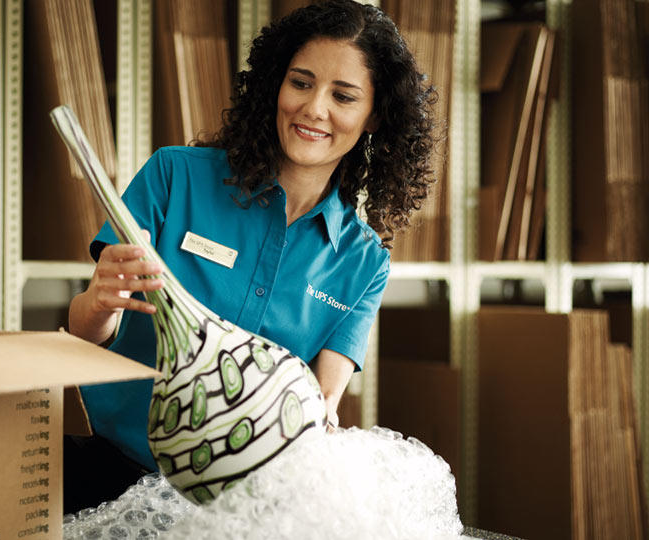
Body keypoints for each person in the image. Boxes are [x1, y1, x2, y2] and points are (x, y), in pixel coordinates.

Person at [63, 0, 437, 513]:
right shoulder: (175, 178)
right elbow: (87, 333)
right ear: (274, 86)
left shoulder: (363, 263)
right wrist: (102, 302)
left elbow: (320, 404)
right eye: (301, 83)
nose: (313, 109)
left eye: (343, 96)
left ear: (374, 117)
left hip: (240, 506)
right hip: (114, 471)